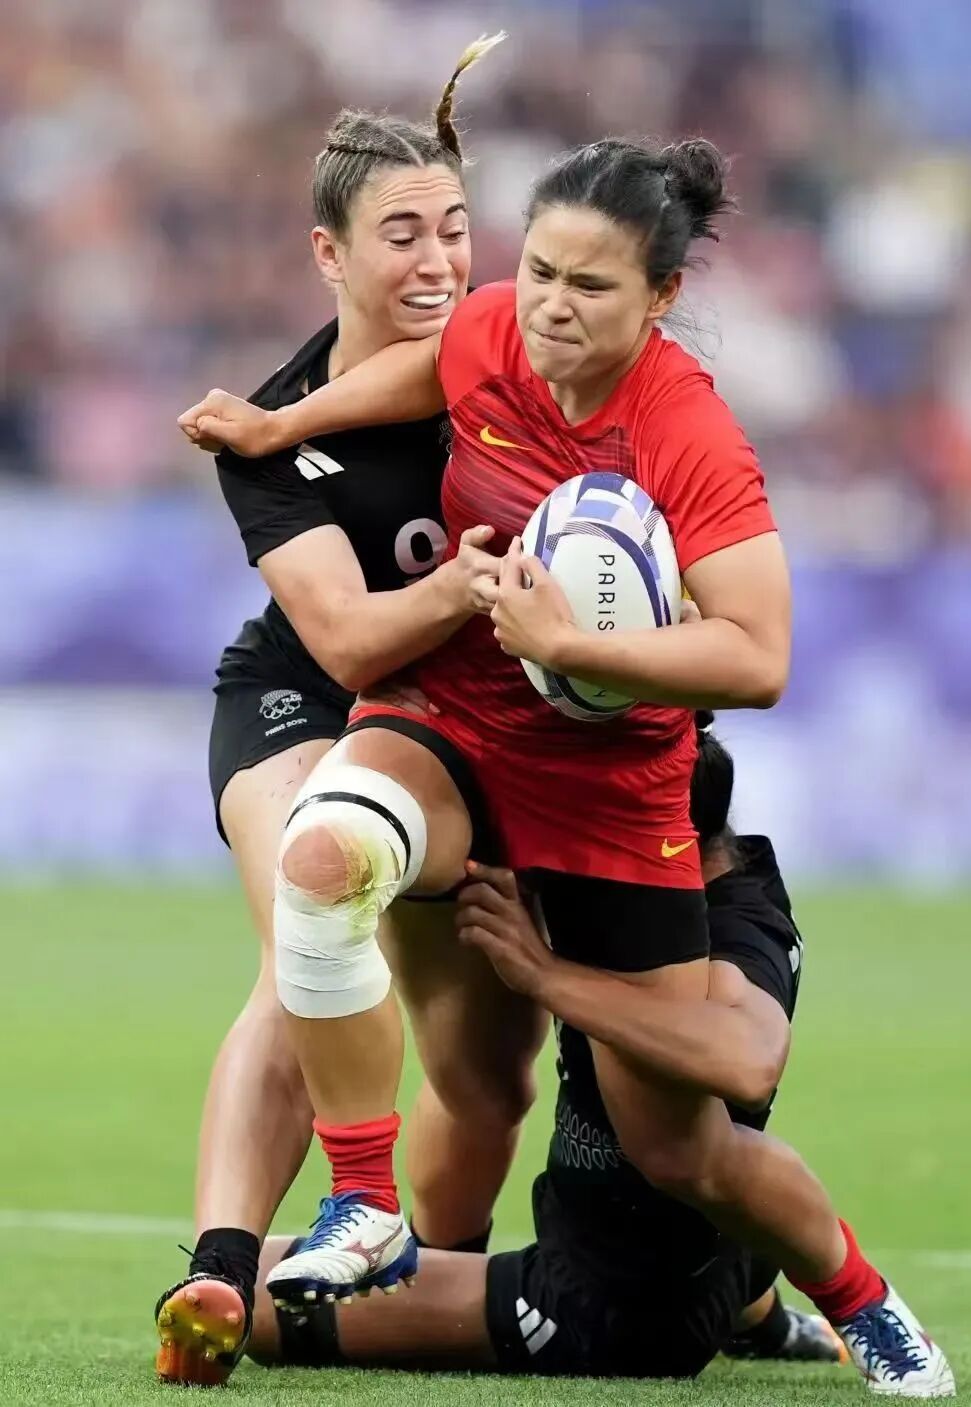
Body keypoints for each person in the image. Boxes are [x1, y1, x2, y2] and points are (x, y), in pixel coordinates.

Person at [182, 137, 955, 1396]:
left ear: (659, 298)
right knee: (323, 858)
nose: (547, 305)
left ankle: (858, 1300)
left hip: (612, 791)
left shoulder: (690, 433)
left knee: (679, 1149)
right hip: (454, 721)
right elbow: (441, 357)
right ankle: (363, 1201)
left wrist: (574, 646)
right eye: (538, 270)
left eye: (589, 287)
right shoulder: (499, 325)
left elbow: (758, 655)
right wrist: (290, 420)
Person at [154, 35, 549, 1391]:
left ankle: (442, 1274)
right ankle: (221, 1265)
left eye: (456, 227)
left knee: (491, 1074)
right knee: (307, 923)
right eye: (401, 235)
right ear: (327, 254)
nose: (441, 260)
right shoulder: (268, 429)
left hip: (473, 718)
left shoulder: (508, 350)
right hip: (306, 697)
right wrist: (470, 584)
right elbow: (347, 637)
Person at [243, 734, 943, 1391]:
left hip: (615, 1309)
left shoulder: (739, 923)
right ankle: (762, 1322)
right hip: (724, 1246)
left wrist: (547, 976)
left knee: (261, 1295)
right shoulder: (626, 881)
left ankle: (867, 1307)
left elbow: (750, 1063)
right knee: (489, 1094)